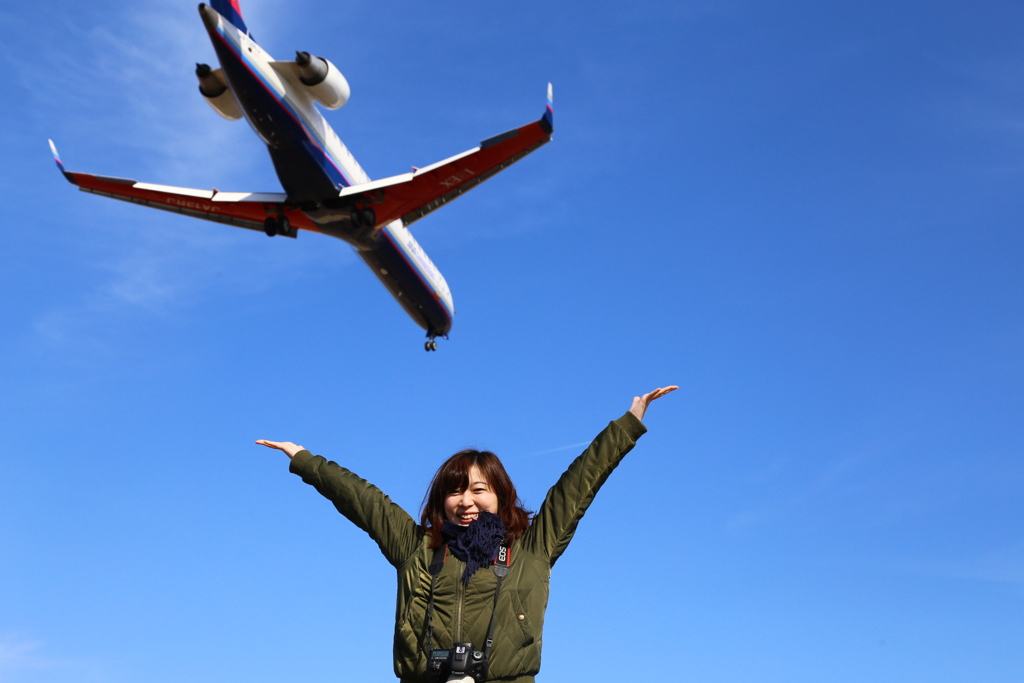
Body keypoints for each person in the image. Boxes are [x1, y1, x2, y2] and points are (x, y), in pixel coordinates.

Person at [257, 386, 676, 683]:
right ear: (441, 501)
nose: (466, 500)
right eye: (455, 491)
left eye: (479, 489)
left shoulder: (531, 548)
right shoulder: (416, 547)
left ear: (500, 496)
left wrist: (626, 427)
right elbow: (364, 501)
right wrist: (305, 460)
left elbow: (579, 485)